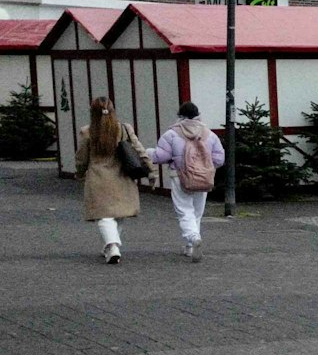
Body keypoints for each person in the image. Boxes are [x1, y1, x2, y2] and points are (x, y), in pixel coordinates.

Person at [150, 101, 225, 261]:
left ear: (180, 116)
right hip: (203, 178)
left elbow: (160, 156)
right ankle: (191, 246)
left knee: (184, 211)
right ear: (198, 115)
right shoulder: (209, 134)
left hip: (180, 176)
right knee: (197, 213)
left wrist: (148, 153)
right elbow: (219, 159)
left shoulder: (171, 134)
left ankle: (193, 238)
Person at [79, 97, 143, 265]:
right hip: (122, 176)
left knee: (104, 216)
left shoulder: (87, 132)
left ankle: (112, 246)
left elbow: (82, 158)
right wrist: (151, 172)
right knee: (118, 213)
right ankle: (110, 246)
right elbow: (139, 150)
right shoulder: (124, 129)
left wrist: (79, 173)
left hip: (98, 178)